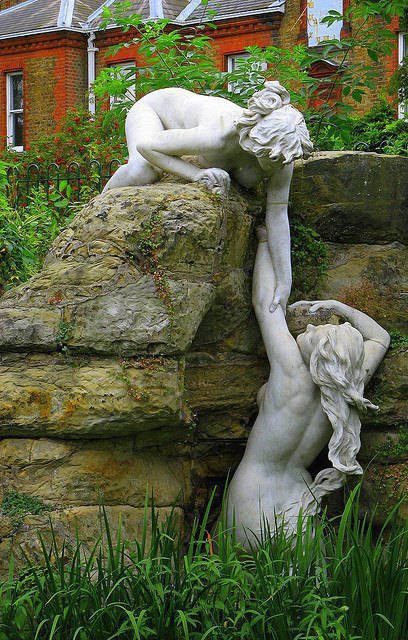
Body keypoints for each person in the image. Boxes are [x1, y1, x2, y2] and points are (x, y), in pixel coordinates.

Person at [224, 228, 390, 548]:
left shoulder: (291, 372)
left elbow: (265, 303)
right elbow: (380, 338)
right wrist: (340, 308)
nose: (310, 327)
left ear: (318, 356)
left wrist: (264, 241)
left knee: (231, 577)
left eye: (314, 334)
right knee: (301, 582)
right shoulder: (347, 386)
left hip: (252, 496)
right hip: (299, 505)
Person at [103, 81, 313, 313]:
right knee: (142, 170)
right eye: (272, 159)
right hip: (154, 111)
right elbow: (147, 146)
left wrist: (284, 282)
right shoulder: (217, 135)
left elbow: (278, 213)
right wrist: (196, 174)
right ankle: (101, 200)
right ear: (257, 141)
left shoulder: (282, 151)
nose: (279, 166)